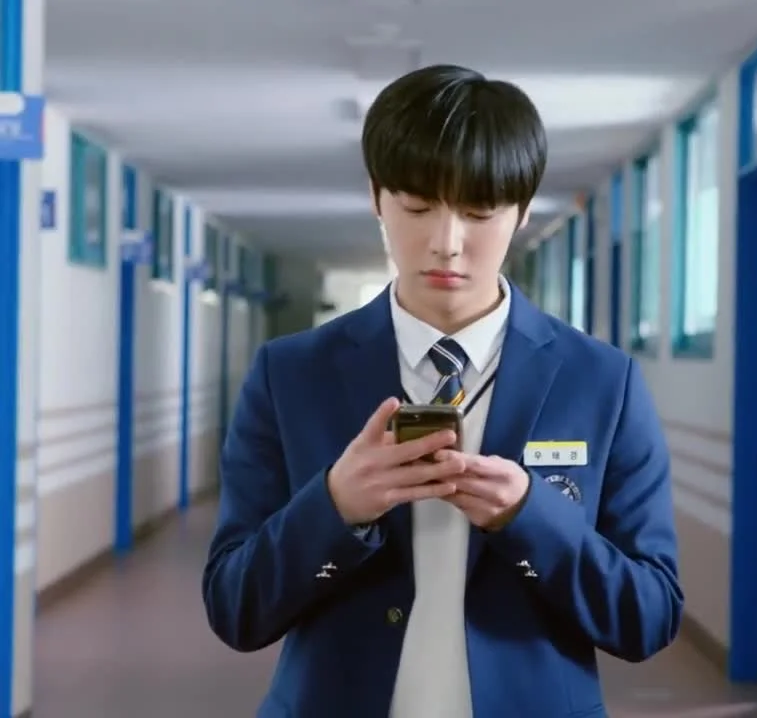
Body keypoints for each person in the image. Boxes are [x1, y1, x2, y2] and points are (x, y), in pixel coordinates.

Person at [201, 64, 683, 718]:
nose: (446, 243)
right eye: (417, 207)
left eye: (479, 212)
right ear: (377, 198)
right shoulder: (290, 374)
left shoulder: (601, 382)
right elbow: (235, 609)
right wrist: (335, 507)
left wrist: (530, 518)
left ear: (521, 211)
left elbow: (648, 617)